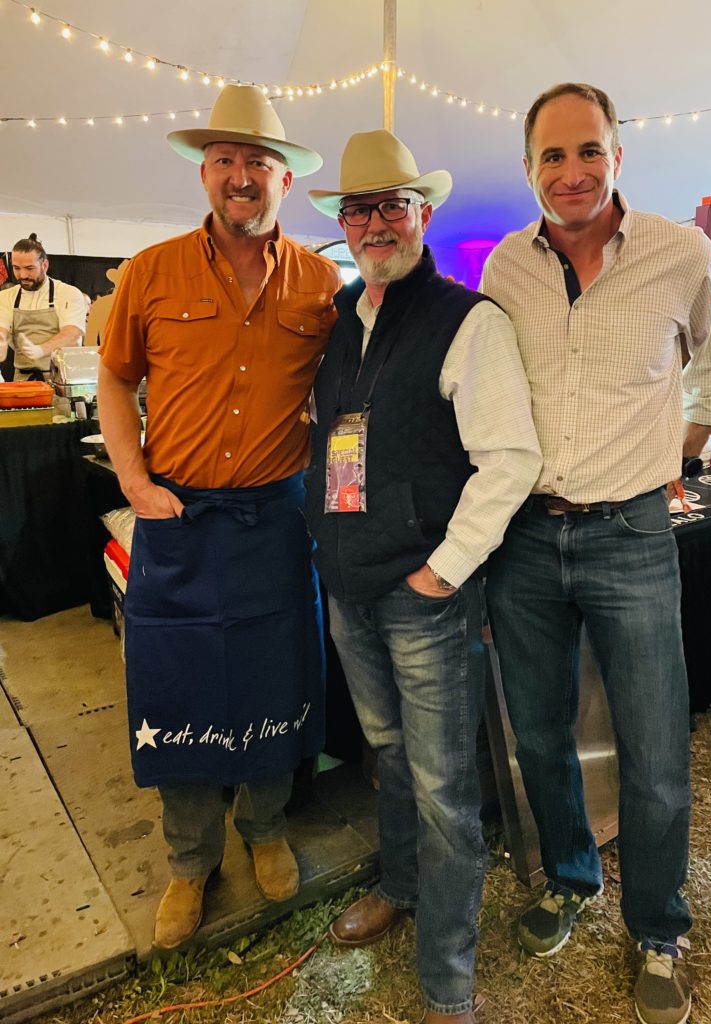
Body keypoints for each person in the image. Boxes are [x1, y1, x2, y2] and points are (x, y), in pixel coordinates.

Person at [479, 82, 711, 1024]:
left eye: (588, 150)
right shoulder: (505, 267)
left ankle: (659, 927)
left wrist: (685, 447)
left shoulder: (682, 253)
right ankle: (569, 878)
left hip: (631, 532)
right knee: (540, 733)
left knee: (655, 744)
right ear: (529, 171)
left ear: (618, 156)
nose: (572, 171)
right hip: (521, 537)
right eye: (552, 156)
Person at [305, 130, 542, 1024]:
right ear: (343, 222)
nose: (373, 223)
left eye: (391, 205)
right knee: (393, 758)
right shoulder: (339, 322)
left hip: (423, 596)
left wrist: (441, 574)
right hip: (350, 586)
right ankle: (400, 888)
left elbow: (510, 460)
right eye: (357, 209)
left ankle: (447, 976)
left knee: (444, 790)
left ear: (423, 214)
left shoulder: (467, 320)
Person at [97, 84, 340, 951]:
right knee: (179, 685)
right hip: (178, 514)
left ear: (284, 180)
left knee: (278, 675)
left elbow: (349, 401)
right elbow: (117, 378)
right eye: (228, 161)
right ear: (206, 172)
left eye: (260, 164)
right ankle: (191, 859)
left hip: (276, 518)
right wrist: (132, 476)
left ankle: (265, 827)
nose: (243, 178)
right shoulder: (150, 271)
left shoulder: (320, 281)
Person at [0, 234, 86, 380]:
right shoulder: (6, 296)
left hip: (62, 379)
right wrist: (1, 340)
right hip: (23, 381)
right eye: (16, 268)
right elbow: (2, 328)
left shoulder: (68, 293)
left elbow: (72, 334)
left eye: (29, 268)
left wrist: (40, 350)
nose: (22, 275)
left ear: (44, 265)